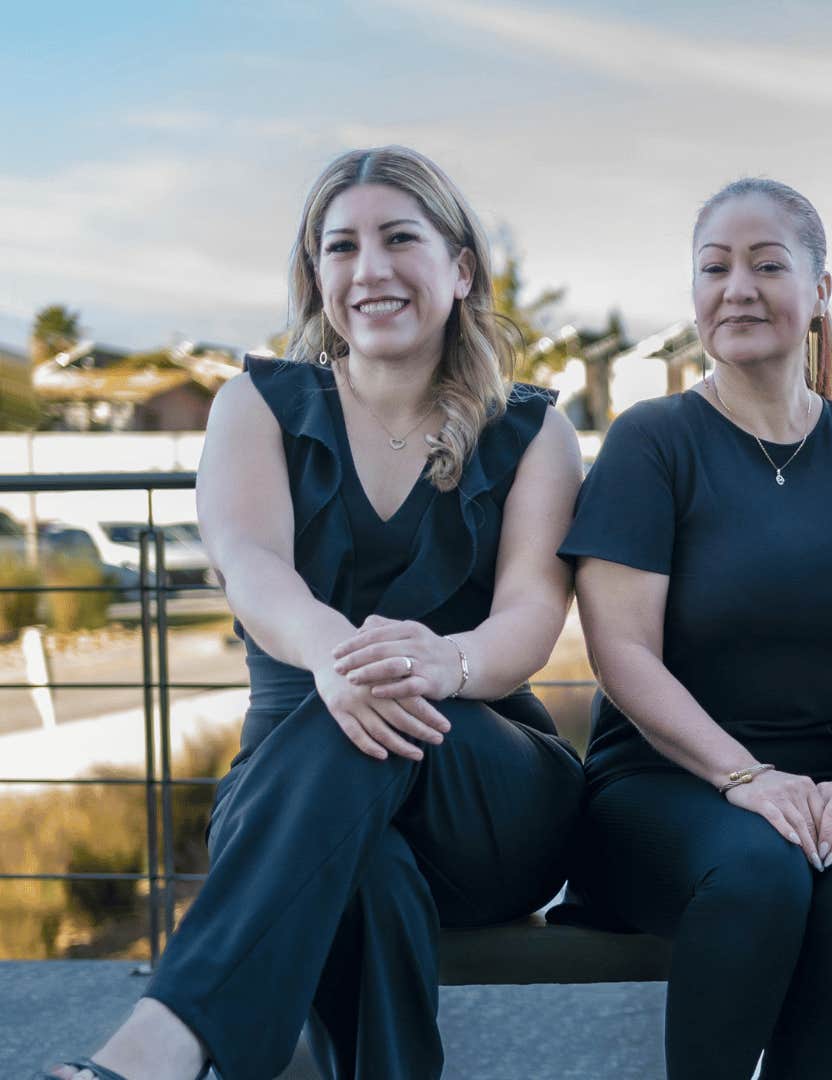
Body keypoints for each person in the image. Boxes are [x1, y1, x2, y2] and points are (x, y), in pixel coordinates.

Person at [43, 146, 586, 1080]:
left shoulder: (532, 428)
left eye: (398, 238)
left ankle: (158, 1046)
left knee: (360, 716)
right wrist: (336, 655)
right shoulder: (256, 405)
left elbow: (532, 614)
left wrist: (439, 665)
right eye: (340, 248)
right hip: (291, 805)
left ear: (461, 270)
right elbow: (250, 566)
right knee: (365, 862)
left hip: (485, 794)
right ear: (317, 278)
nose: (368, 268)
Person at [559, 177, 832, 1079]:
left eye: (768, 264)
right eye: (715, 267)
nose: (738, 287)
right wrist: (744, 778)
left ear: (819, 293)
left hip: (829, 771)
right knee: (761, 869)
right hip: (666, 781)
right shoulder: (651, 440)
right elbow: (619, 649)